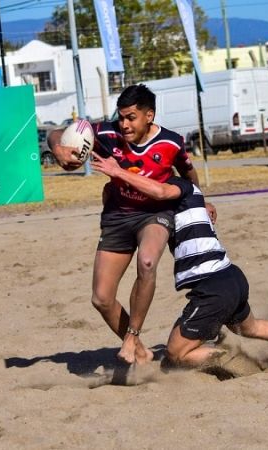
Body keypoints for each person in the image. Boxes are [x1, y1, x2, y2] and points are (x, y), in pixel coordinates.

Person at [90, 153, 268, 368]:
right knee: (252, 327)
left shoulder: (175, 188)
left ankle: (238, 361)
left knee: (175, 353)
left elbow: (158, 190)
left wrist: (119, 173)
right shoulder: (184, 197)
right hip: (231, 276)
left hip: (212, 287)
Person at [48, 84, 214, 364]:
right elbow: (55, 133)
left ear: (149, 116)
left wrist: (201, 200)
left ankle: (132, 336)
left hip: (155, 214)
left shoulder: (171, 142)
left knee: (147, 262)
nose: (124, 124)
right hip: (117, 216)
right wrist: (58, 150)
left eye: (131, 117)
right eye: (121, 117)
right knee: (101, 298)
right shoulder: (106, 133)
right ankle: (141, 352)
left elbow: (187, 172)